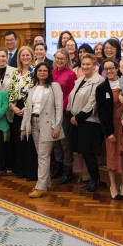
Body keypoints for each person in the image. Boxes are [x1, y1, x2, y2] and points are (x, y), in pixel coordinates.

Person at [21, 62, 64, 198]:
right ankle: (46, 183)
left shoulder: (54, 86)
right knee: (40, 154)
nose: (42, 72)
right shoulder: (32, 87)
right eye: (40, 70)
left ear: (49, 72)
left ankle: (40, 187)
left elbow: (59, 107)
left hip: (47, 124)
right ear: (36, 72)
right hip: (33, 122)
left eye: (45, 70)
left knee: (43, 156)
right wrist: (23, 127)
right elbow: (28, 108)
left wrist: (56, 126)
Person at [96, 58, 123, 200]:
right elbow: (101, 113)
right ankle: (113, 186)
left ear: (117, 68)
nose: (110, 71)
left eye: (112, 68)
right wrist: (108, 132)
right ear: (104, 71)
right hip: (111, 128)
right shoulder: (101, 88)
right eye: (107, 69)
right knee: (111, 157)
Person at [67, 53, 104, 193]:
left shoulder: (98, 80)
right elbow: (73, 99)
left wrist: (78, 118)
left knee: (89, 153)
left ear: (95, 66)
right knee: (83, 152)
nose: (86, 66)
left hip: (89, 122)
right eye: (83, 64)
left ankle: (96, 181)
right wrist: (71, 114)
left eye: (89, 64)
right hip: (78, 120)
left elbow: (92, 103)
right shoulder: (80, 80)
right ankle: (92, 180)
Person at [9, 46, 37, 180]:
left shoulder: (36, 71)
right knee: (18, 140)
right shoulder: (16, 72)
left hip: (31, 109)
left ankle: (31, 171)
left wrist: (27, 108)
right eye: (22, 55)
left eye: (28, 55)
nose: (25, 58)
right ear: (19, 57)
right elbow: (11, 93)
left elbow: (37, 92)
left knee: (29, 141)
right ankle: (21, 169)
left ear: (32, 56)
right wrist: (13, 107)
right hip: (17, 109)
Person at [52, 48, 77, 184]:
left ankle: (68, 171)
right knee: (55, 141)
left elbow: (71, 94)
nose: (59, 60)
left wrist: (60, 107)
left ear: (67, 60)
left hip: (63, 112)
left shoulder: (71, 74)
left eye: (62, 58)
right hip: (51, 112)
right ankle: (58, 167)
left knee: (64, 142)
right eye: (57, 58)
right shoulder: (51, 73)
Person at [0, 48, 17, 173]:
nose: (1, 58)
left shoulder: (14, 71)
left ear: (7, 57)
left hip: (10, 110)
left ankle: (11, 165)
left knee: (10, 139)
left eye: (3, 56)